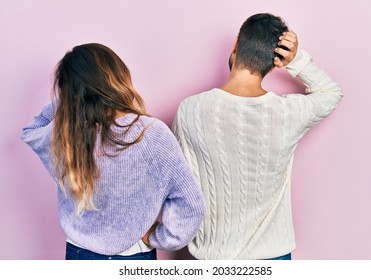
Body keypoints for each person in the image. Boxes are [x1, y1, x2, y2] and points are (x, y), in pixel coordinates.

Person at [172, 13, 343, 260]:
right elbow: (331, 92)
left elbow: (181, 183)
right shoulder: (288, 113)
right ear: (276, 64)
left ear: (235, 45)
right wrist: (297, 61)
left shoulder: (191, 109)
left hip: (211, 258)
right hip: (272, 259)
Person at [21, 43, 205, 260]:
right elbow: (192, 206)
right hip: (134, 257)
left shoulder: (65, 137)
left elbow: (31, 130)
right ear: (117, 77)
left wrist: (75, 96)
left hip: (79, 256)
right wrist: (159, 238)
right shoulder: (151, 134)